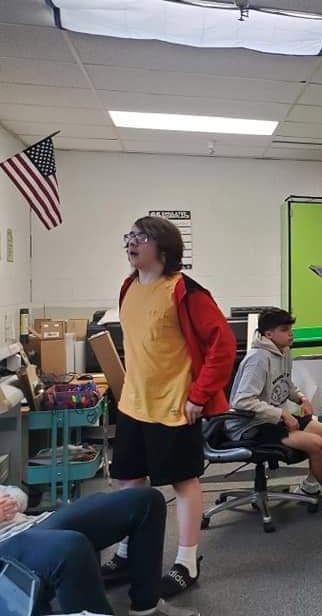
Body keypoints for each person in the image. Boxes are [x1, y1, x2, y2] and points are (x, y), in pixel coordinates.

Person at [101, 216, 237, 598]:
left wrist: (199, 395)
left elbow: (223, 345)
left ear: (163, 247)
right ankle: (127, 554)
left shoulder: (187, 291)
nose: (131, 242)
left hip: (175, 405)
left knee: (183, 482)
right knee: (129, 481)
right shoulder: (129, 286)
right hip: (133, 404)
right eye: (129, 235)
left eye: (140, 237)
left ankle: (187, 562)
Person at [228, 307, 322, 512]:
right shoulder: (258, 359)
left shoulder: (283, 352)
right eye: (285, 329)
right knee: (317, 444)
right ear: (268, 334)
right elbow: (242, 401)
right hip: (251, 426)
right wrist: (282, 414)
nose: (291, 333)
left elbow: (285, 384)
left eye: (290, 328)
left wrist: (301, 398)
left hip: (272, 420)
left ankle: (310, 487)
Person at [0, 485, 196, 616]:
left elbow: (14, 490)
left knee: (147, 501)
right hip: (7, 546)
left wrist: (14, 501)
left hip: (36, 522)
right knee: (71, 547)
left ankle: (146, 608)